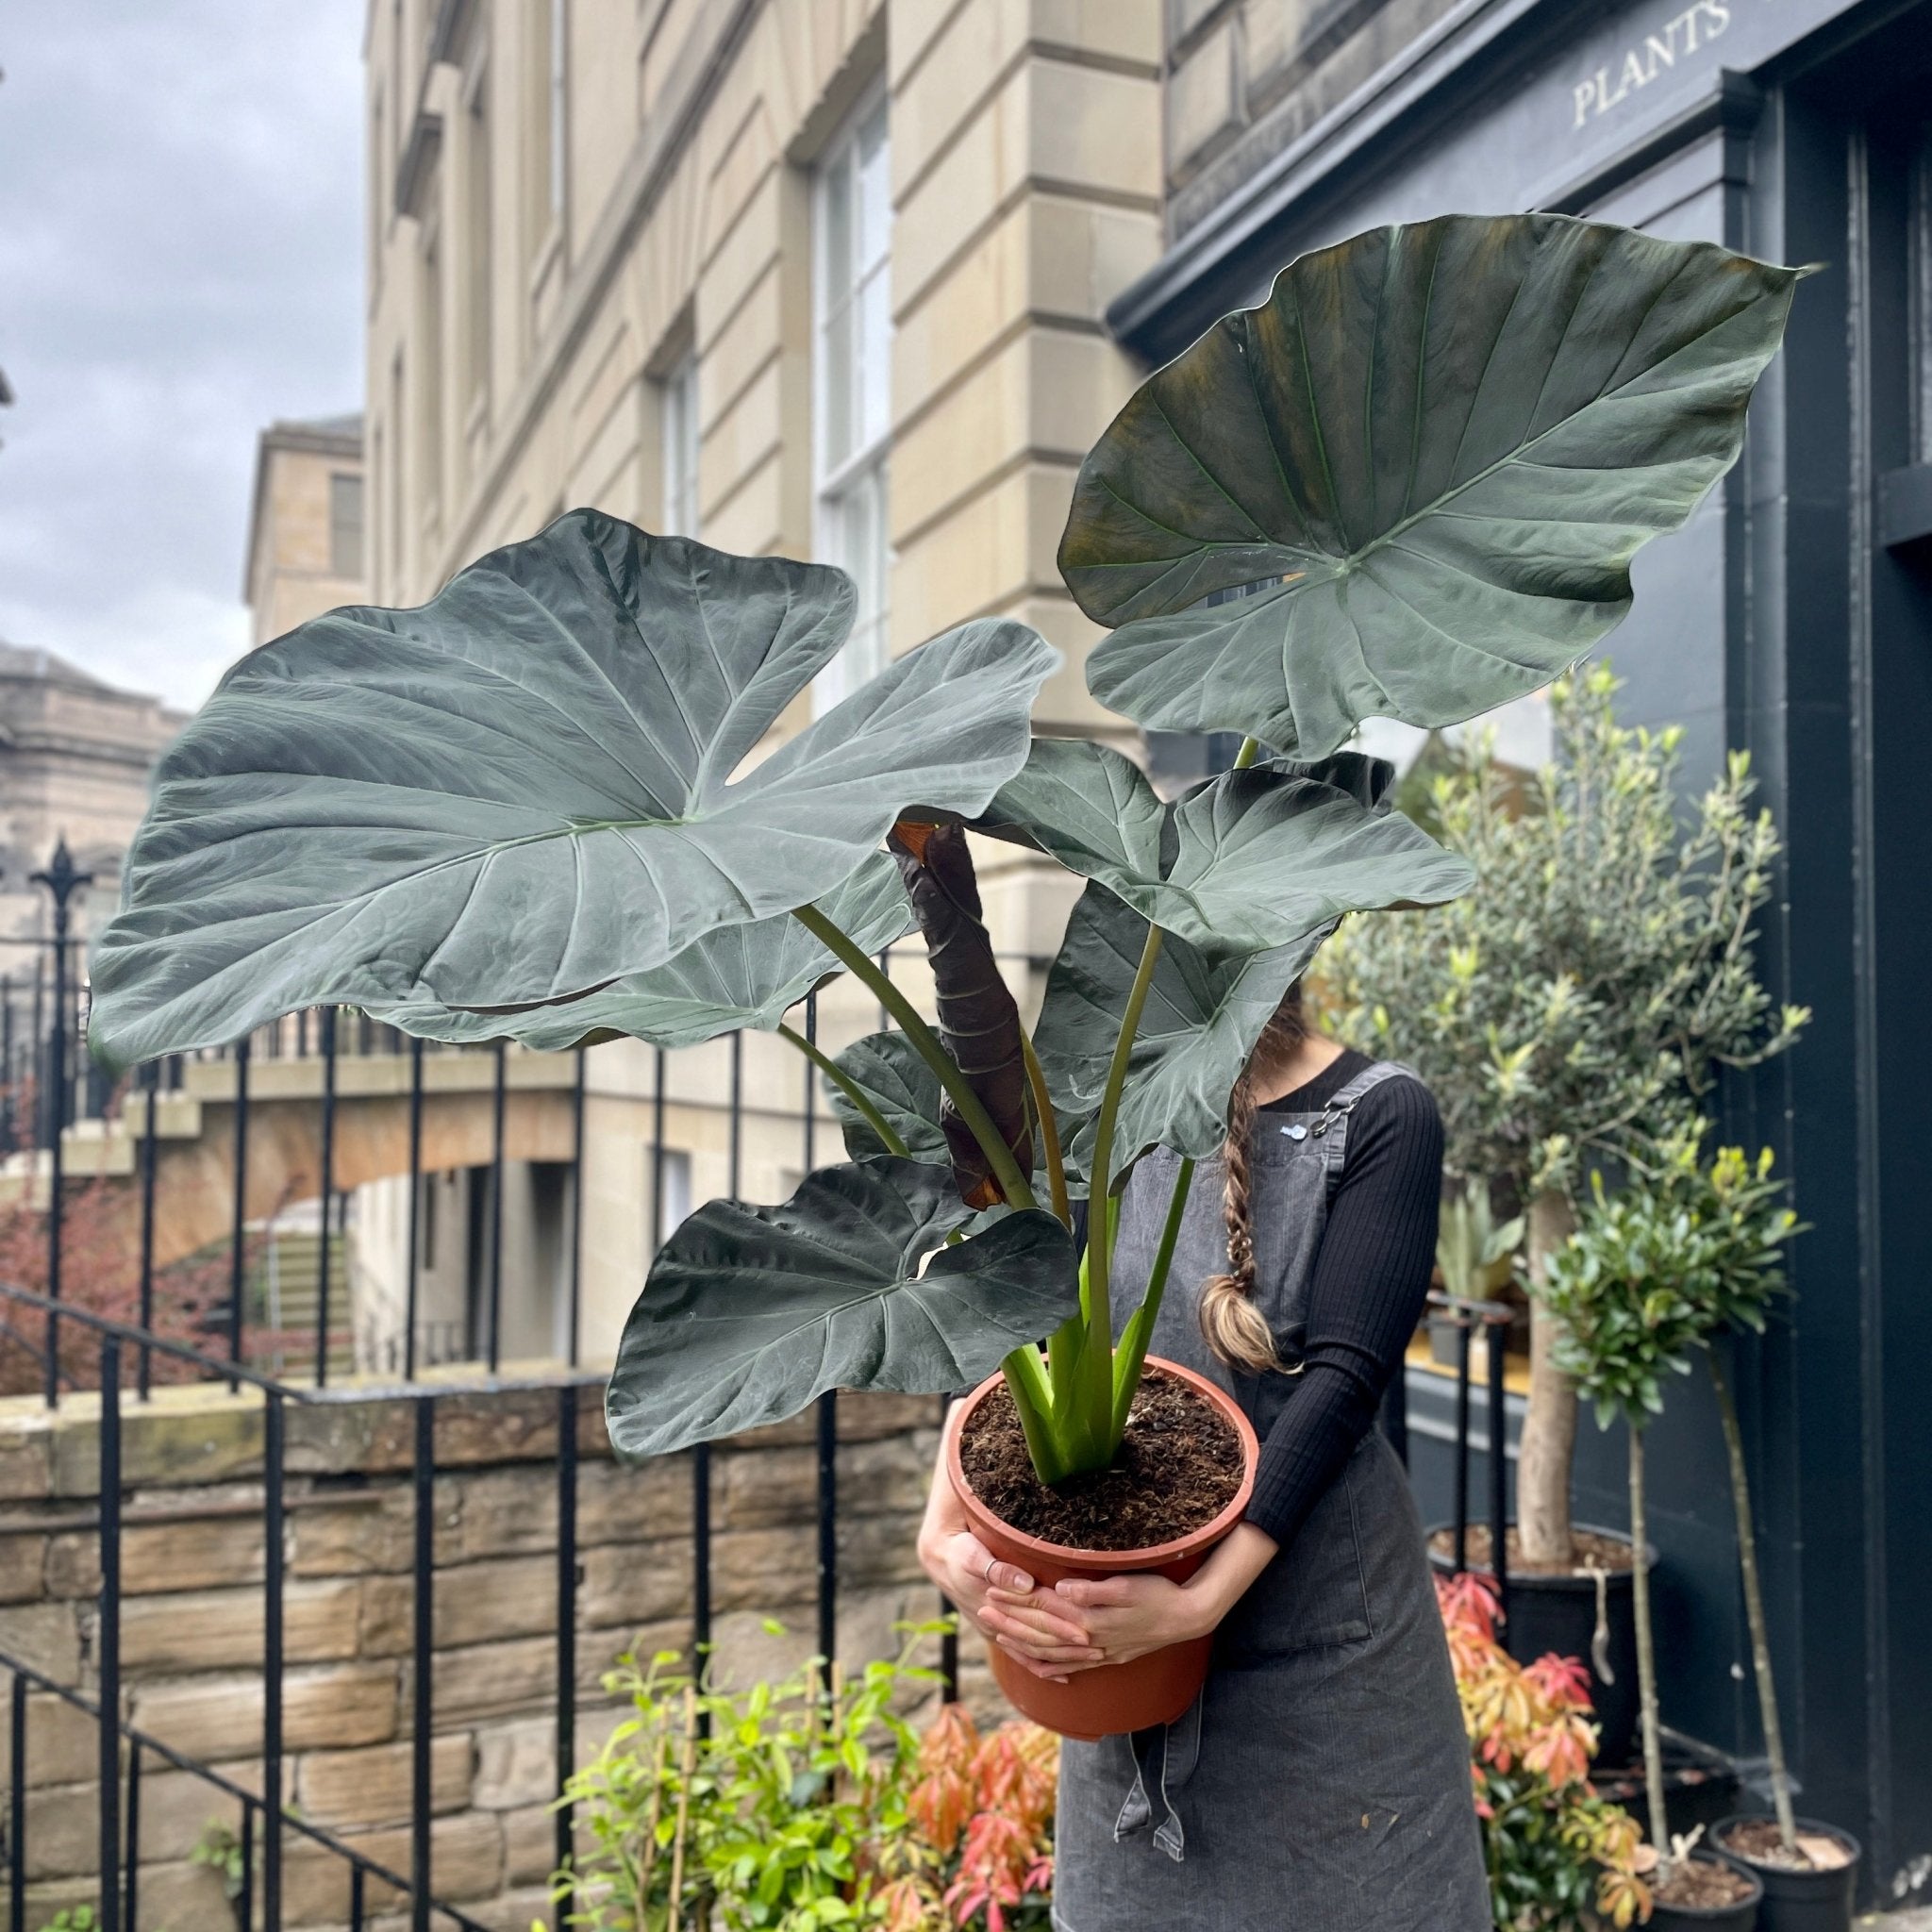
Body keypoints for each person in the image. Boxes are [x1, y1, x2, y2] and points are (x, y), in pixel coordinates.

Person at [917, 986, 1491, 1931]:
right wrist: (944, 1523)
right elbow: (1015, 1306)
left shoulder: (1381, 1113)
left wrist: (1193, 1604)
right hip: (1127, 1651)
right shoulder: (1103, 1118)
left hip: (1322, 1675)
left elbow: (1343, 1381)